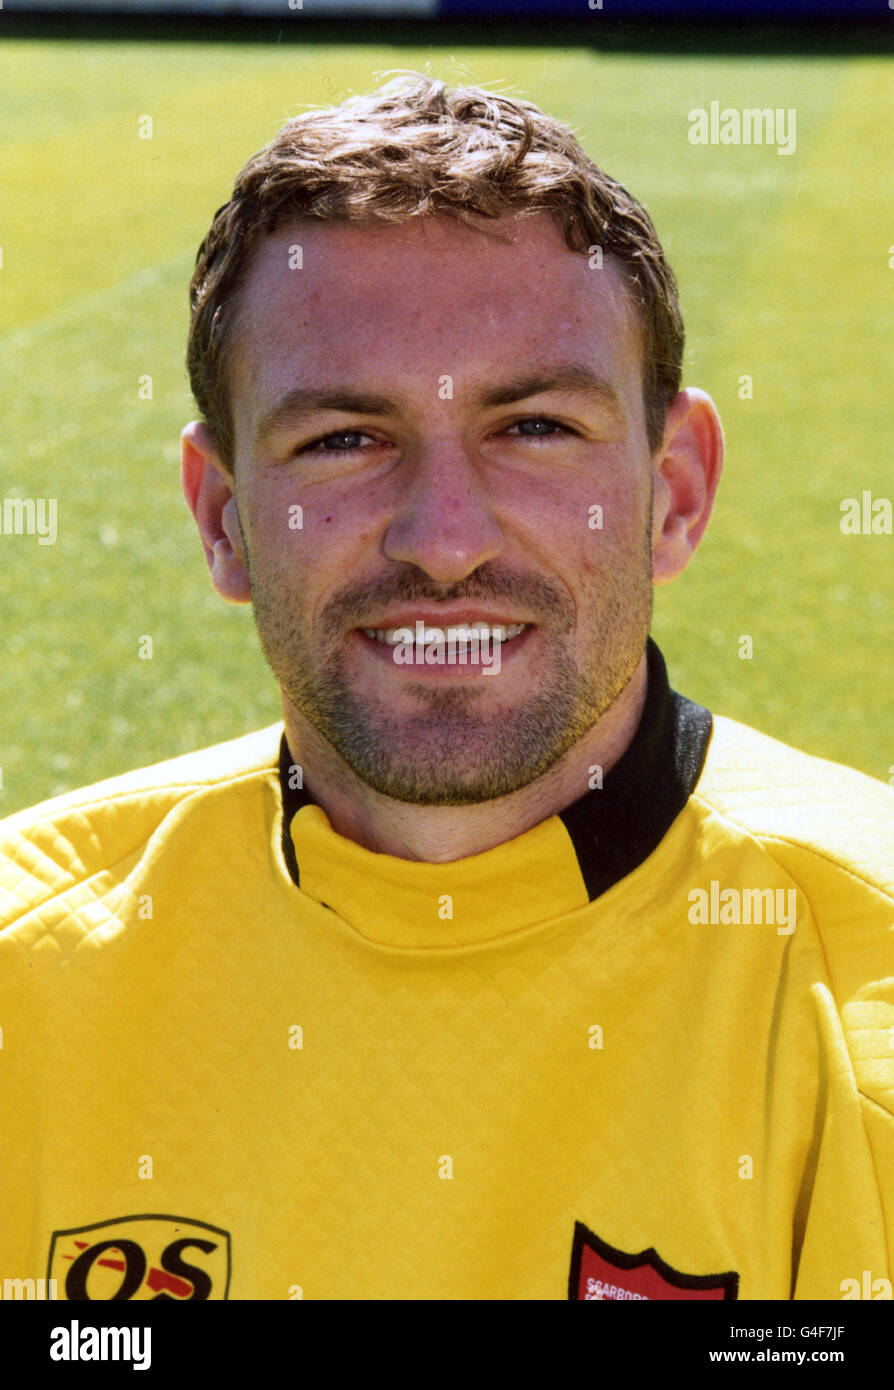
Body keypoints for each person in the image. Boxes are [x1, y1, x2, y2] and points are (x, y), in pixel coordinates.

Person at [1, 73, 891, 1304]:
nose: (445, 539)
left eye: (531, 428)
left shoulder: (868, 974)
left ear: (674, 491)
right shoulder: (22, 972)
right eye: (344, 440)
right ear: (223, 521)